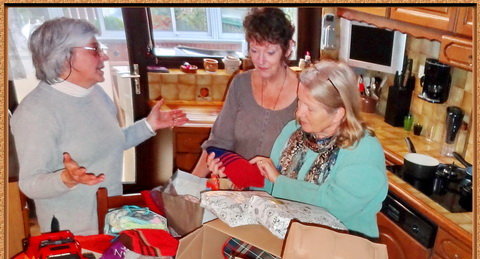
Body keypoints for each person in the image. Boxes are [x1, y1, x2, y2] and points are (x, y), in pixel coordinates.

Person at [11, 17, 188, 236]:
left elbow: (109, 143)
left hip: (111, 219)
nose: (104, 55)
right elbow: (30, 183)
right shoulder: (35, 113)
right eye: (94, 49)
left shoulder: (95, 93)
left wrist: (149, 125)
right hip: (74, 233)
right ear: (64, 57)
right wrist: (66, 178)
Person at [209, 60, 388, 239]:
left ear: (338, 114)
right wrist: (237, 173)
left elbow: (334, 208)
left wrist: (278, 180)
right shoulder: (293, 131)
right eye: (300, 102)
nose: (299, 113)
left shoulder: (363, 150)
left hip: (341, 248)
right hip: (293, 237)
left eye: (310, 108)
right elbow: (272, 187)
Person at [192, 7, 298, 177]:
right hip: (238, 192)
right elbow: (219, 142)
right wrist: (190, 185)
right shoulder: (240, 84)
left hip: (281, 197)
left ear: (287, 49)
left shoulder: (305, 91)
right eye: (254, 51)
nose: (261, 60)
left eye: (270, 52)